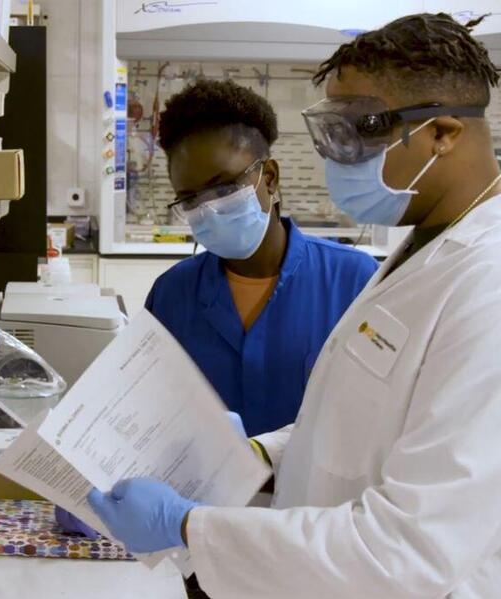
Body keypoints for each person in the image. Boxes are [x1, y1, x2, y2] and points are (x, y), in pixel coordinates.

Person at [88, 13, 501, 598]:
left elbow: (408, 552)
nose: (338, 153)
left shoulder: (489, 287)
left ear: (444, 133)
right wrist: (261, 451)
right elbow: (351, 431)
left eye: (361, 127)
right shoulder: (421, 252)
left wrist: (184, 524)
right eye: (330, 129)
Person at [144, 79, 377, 437]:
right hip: (201, 491)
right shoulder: (173, 293)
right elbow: (147, 408)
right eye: (190, 199)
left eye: (223, 188)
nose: (208, 209)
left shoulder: (353, 280)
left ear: (269, 178)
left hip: (317, 491)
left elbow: (379, 412)